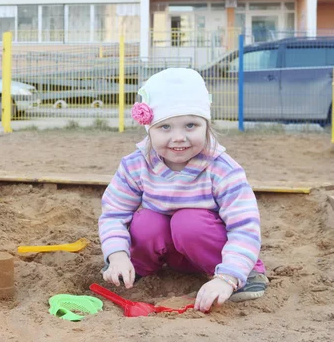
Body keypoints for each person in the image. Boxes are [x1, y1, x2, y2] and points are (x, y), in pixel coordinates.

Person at [98, 68, 268, 313]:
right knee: (146, 221)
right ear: (149, 129)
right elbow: (114, 214)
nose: (179, 137)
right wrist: (117, 255)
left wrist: (229, 276)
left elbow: (244, 226)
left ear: (206, 125)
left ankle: (246, 276)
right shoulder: (136, 165)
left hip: (212, 250)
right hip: (171, 254)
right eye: (165, 127)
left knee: (188, 221)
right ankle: (134, 269)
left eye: (190, 125)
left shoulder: (222, 169)